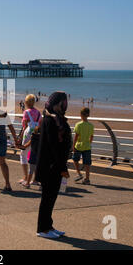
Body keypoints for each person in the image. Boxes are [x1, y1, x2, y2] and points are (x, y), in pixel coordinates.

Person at [35, 92, 72, 239]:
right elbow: (53, 146)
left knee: (51, 198)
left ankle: (48, 226)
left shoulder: (54, 119)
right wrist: (62, 167)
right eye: (63, 102)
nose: (65, 105)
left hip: (54, 166)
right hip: (50, 167)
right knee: (47, 198)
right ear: (57, 103)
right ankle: (42, 229)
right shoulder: (50, 121)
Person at [17, 94, 41, 187]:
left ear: (26, 103)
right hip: (36, 136)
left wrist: (20, 137)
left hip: (27, 135)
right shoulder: (38, 113)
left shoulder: (26, 112)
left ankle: (26, 177)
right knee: (33, 157)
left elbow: (24, 126)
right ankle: (35, 179)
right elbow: (40, 124)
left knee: (23, 155)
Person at [72, 107, 94, 185]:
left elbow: (76, 136)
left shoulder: (78, 124)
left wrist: (73, 145)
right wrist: (89, 143)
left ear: (81, 115)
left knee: (75, 159)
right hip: (87, 146)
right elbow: (91, 136)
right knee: (87, 163)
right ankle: (87, 179)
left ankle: (79, 173)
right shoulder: (91, 125)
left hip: (79, 146)